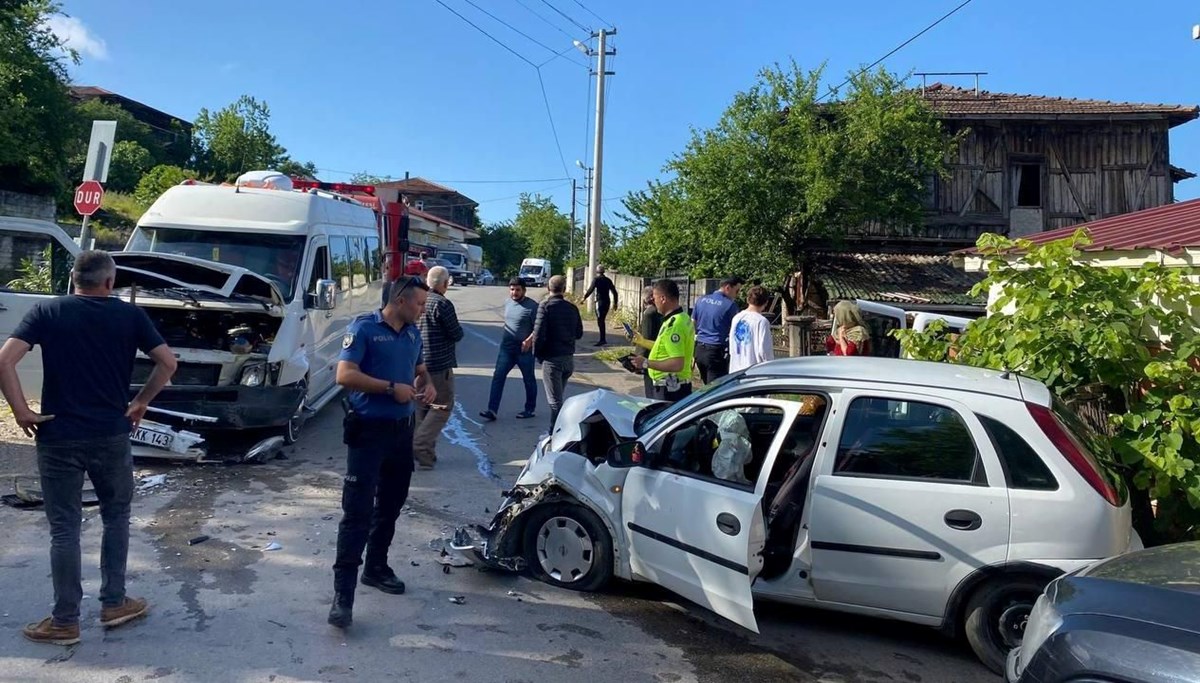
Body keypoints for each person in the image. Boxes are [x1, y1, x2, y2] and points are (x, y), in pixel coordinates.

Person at [0, 251, 178, 646]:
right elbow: (167, 362)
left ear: (73, 280)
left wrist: (21, 410)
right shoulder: (130, 316)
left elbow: (4, 361)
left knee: (64, 528)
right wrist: (141, 402)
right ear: (110, 283)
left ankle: (65, 621)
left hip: (58, 435)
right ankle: (114, 602)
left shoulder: (49, 312)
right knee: (116, 516)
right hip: (111, 434)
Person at [328, 276, 435, 629]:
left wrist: (427, 384)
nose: (423, 311)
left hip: (401, 435)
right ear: (401, 301)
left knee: (390, 506)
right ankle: (342, 597)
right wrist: (391, 388)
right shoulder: (363, 330)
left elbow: (419, 369)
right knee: (356, 513)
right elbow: (344, 374)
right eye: (419, 304)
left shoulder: (413, 334)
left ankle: (376, 567)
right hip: (368, 433)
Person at [413, 266, 463, 469]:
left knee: (421, 407)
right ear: (443, 283)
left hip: (418, 362)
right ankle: (420, 445)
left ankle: (425, 454)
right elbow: (456, 333)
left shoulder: (419, 300)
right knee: (442, 407)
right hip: (438, 364)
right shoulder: (442, 303)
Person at [480, 278, 539, 422]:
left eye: (518, 289)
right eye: (512, 289)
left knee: (529, 379)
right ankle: (492, 410)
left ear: (524, 290)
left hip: (524, 351)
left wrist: (529, 340)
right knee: (498, 377)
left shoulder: (532, 306)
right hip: (507, 349)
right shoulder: (508, 303)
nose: (514, 292)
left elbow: (539, 327)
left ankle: (529, 409)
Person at [532, 275, 583, 432]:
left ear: (548, 288)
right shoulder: (572, 308)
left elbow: (538, 334)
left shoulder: (545, 306)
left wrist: (536, 354)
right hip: (568, 359)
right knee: (558, 397)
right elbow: (579, 333)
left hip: (552, 359)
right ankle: (557, 431)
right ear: (565, 289)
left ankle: (555, 433)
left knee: (555, 402)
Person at [631, 279, 695, 402]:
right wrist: (642, 341)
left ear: (663, 299)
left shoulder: (674, 325)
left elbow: (677, 363)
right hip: (673, 386)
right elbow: (666, 348)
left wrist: (646, 363)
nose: (653, 302)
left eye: (654, 298)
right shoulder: (682, 318)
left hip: (670, 389)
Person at [691, 276, 743, 383]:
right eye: (737, 291)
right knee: (716, 389)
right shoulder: (730, 305)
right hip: (716, 352)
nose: (737, 295)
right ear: (728, 288)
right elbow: (736, 330)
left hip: (699, 350)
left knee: (706, 386)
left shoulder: (701, 300)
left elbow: (692, 324)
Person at [729, 285, 774, 373]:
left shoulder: (737, 318)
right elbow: (765, 351)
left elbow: (732, 344)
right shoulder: (761, 321)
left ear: (748, 299)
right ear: (766, 302)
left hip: (735, 370)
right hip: (754, 372)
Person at [635, 286, 663, 398]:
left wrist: (640, 358)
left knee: (650, 391)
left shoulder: (649, 313)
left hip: (649, 356)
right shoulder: (660, 311)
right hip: (657, 355)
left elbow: (646, 337)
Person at [581, 266, 617, 346]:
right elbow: (614, 292)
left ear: (597, 271)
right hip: (607, 302)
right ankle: (602, 338)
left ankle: (602, 339)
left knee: (600, 320)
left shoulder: (596, 280)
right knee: (602, 319)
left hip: (599, 302)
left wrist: (584, 298)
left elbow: (590, 290)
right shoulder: (608, 280)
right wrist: (615, 303)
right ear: (603, 271)